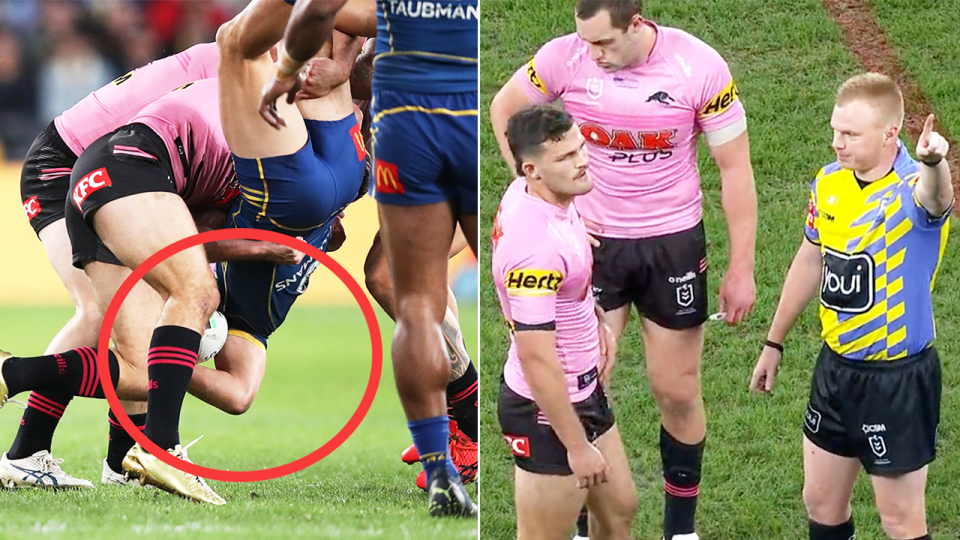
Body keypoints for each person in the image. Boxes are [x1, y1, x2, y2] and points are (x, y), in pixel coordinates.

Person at [489, 1, 757, 538]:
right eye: (585, 42)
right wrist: (540, 194)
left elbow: (735, 168)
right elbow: (506, 108)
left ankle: (680, 528)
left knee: (677, 390)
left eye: (604, 44)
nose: (592, 54)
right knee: (586, 378)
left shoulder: (699, 67)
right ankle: (588, 520)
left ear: (637, 25)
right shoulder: (565, 57)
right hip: (593, 246)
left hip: (672, 243)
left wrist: (741, 267)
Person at [260, 0, 479, 518]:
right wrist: (344, 69)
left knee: (416, 299)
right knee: (388, 278)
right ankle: (468, 438)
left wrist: (289, 71)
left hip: (415, 129)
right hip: (459, 121)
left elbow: (321, 10)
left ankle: (452, 452)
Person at [749, 73, 952, 540]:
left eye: (850, 134)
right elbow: (810, 258)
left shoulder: (912, 187)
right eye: (835, 130)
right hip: (835, 370)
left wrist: (935, 163)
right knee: (820, 502)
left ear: (889, 133)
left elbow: (938, 198)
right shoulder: (829, 183)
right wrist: (773, 342)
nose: (837, 143)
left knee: (900, 521)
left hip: (896, 378)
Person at [494, 105, 637, 540]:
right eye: (566, 157)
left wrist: (590, 314)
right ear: (533, 169)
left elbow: (566, 281)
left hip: (585, 388)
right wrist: (575, 445)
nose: (582, 161)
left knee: (619, 511)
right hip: (546, 411)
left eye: (580, 148)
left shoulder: (540, 194)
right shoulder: (533, 251)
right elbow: (537, 359)